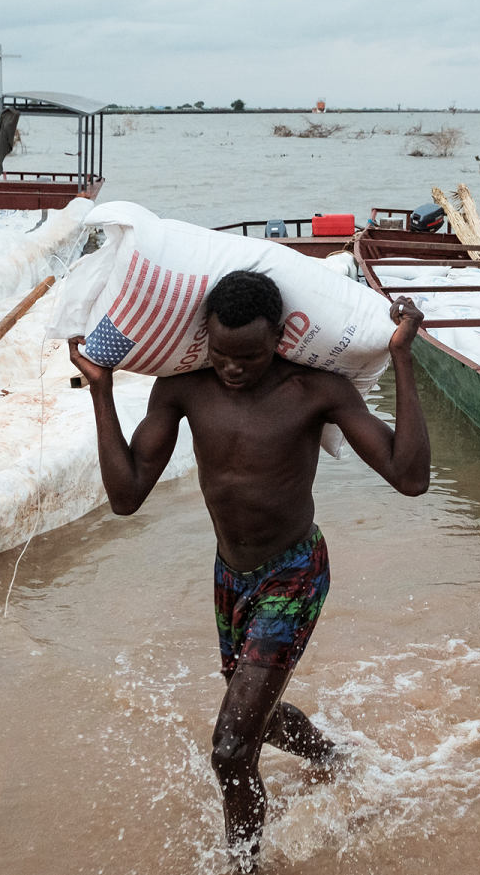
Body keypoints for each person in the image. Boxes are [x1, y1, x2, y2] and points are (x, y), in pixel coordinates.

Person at [67, 270, 430, 869]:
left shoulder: (316, 391)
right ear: (204, 339)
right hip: (230, 576)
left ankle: (244, 866)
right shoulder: (182, 390)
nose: (233, 369)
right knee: (250, 714)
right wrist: (101, 391)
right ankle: (332, 759)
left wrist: (403, 361)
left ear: (280, 338)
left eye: (251, 356)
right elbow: (126, 495)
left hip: (294, 573)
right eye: (222, 354)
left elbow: (410, 477)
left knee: (230, 748)